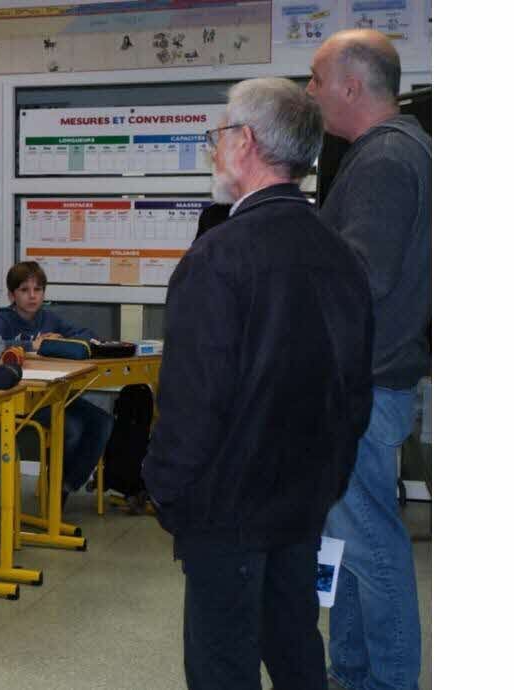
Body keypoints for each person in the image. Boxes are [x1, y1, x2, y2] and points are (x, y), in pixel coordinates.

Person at [142, 77, 374, 689]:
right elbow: (354, 389)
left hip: (225, 507)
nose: (215, 148)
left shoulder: (217, 258)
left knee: (223, 661)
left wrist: (165, 492)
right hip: (303, 498)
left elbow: (192, 401)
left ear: (244, 142)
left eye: (220, 134)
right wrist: (327, 479)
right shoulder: (341, 251)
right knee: (296, 644)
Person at [307, 29, 431, 690]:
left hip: (364, 382)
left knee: (374, 545)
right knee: (353, 543)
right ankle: (351, 672)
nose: (309, 91)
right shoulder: (398, 150)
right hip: (374, 379)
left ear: (350, 85)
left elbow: (363, 275)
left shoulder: (384, 160)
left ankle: (384, 682)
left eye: (316, 78)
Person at [0, 261, 113, 502]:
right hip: (22, 399)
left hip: (54, 394)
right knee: (73, 429)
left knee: (103, 422)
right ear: (11, 294)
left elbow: (88, 335)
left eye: (38, 290)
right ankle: (55, 495)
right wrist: (30, 346)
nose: (32, 296)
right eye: (24, 290)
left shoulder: (49, 319)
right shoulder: (3, 320)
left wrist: (59, 340)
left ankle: (64, 486)